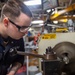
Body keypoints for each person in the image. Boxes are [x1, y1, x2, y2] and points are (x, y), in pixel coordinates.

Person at [0, 0, 32, 75]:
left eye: (27, 28)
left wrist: (12, 71)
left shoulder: (17, 37)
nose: (25, 32)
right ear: (6, 22)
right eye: (22, 27)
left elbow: (19, 58)